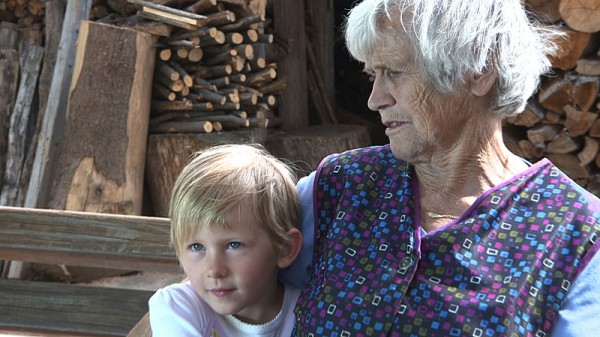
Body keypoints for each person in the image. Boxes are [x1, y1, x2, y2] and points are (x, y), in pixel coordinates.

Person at [281, 0, 600, 336]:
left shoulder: (576, 233)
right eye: (373, 75)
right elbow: (245, 304)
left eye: (394, 72)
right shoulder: (336, 188)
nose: (374, 100)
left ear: (479, 71)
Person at [149, 144, 303, 337]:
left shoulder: (310, 310)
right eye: (197, 246)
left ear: (284, 248)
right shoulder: (179, 307)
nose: (214, 270)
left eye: (233, 245)